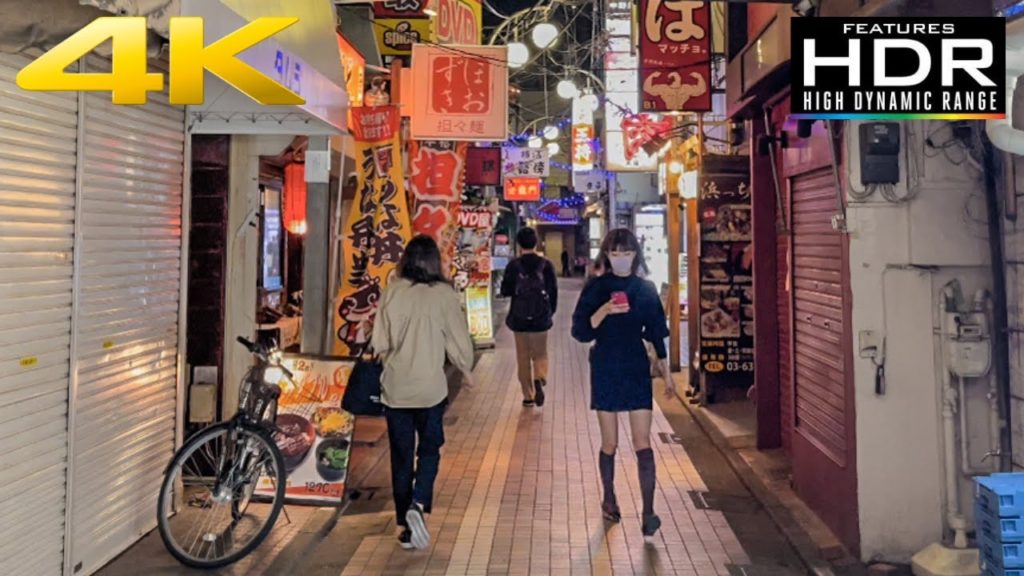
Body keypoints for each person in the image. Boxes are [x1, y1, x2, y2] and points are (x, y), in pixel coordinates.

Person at [372, 235, 474, 550]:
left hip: (396, 390)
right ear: (434, 262)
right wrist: (466, 367)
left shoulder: (392, 293)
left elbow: (379, 343)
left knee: (401, 458)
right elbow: (459, 343)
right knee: (429, 450)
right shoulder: (444, 296)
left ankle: (405, 525)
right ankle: (418, 502)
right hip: (430, 389)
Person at [570, 228, 674, 539]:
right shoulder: (596, 288)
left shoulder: (645, 289)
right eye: (615, 254)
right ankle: (609, 497)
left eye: (626, 253)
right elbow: (580, 331)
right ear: (606, 256)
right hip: (605, 367)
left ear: (636, 255)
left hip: (635, 367)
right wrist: (603, 310)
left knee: (643, 442)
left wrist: (667, 374)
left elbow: (657, 332)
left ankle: (648, 511)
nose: (621, 259)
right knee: (610, 443)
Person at [500, 227, 558, 407]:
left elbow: (505, 290)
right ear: (536, 242)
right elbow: (553, 291)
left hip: (519, 319)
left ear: (518, 244)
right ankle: (539, 377)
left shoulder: (513, 266)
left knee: (523, 357)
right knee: (540, 353)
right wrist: (550, 312)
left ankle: (528, 396)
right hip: (540, 319)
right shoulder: (546, 265)